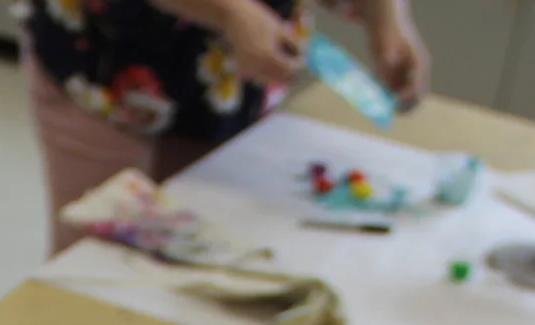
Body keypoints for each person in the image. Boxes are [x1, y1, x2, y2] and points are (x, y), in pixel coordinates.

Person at [22, 0, 430, 252]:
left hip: (229, 86)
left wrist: (388, 18)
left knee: (202, 254)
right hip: (108, 69)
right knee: (95, 262)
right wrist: (232, 11)